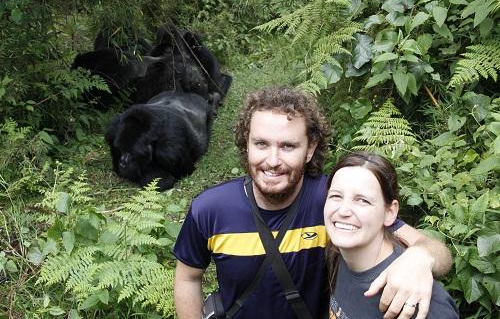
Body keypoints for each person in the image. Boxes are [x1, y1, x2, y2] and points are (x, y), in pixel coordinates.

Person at [173, 87, 452, 319]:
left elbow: (434, 250)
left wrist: (419, 258)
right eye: (261, 144)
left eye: (287, 146)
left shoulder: (334, 202)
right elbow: (188, 277)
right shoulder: (210, 209)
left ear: (310, 149)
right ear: (246, 144)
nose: (272, 161)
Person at [324, 151, 459, 318]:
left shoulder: (422, 302)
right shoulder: (337, 255)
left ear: (390, 212)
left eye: (363, 200)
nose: (343, 210)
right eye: (336, 196)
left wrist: (423, 255)